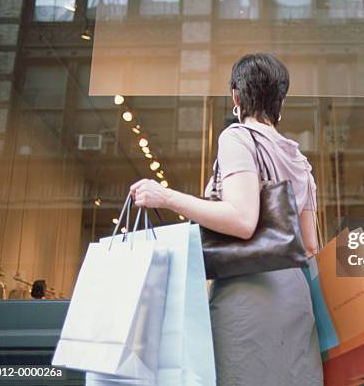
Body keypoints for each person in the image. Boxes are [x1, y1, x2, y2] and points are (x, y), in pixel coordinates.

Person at [130, 53, 324, 385]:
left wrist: (166, 196)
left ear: (236, 96)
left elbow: (242, 219)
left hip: (250, 296)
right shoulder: (299, 159)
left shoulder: (237, 137)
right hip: (294, 301)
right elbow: (310, 246)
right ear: (281, 100)